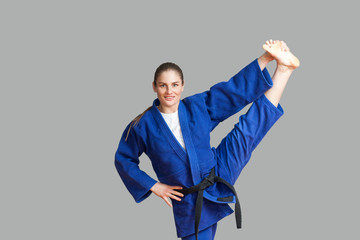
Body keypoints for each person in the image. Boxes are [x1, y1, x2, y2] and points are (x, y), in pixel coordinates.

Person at [114, 40, 300, 240]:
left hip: (218, 169)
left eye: (175, 85)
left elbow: (231, 92)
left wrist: (266, 58)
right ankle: (284, 69)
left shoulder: (195, 106)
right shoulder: (142, 126)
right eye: (163, 85)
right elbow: (123, 159)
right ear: (154, 87)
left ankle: (283, 69)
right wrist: (153, 185)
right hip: (190, 199)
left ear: (183, 85)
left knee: (248, 131)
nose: (170, 91)